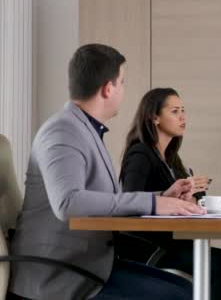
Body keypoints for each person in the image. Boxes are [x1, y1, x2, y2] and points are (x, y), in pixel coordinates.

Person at [9, 44, 205, 300]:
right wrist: (153, 203)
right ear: (108, 88)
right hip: (59, 276)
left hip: (90, 264)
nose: (124, 91)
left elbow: (102, 197)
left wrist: (163, 195)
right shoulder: (62, 131)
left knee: (186, 289)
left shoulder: (84, 129)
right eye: (122, 83)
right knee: (177, 296)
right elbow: (68, 202)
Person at [116, 87, 221, 300]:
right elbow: (129, 198)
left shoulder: (171, 157)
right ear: (154, 117)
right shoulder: (141, 153)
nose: (183, 116)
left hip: (172, 241)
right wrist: (166, 194)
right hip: (150, 247)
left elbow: (186, 199)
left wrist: (190, 192)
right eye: (174, 111)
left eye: (183, 110)